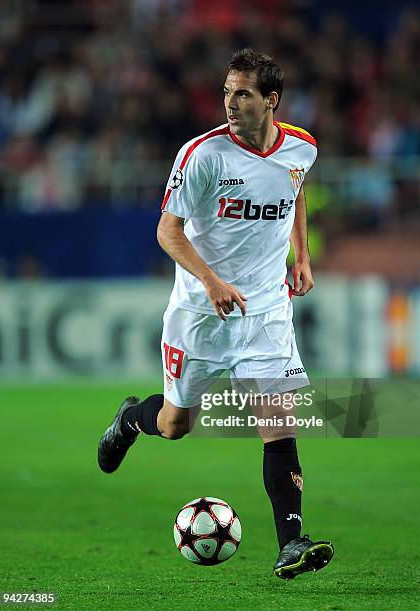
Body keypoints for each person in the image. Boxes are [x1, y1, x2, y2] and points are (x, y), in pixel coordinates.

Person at [98, 48, 334, 579]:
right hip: (200, 311)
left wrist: (302, 254)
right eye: (227, 91)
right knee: (176, 424)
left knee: (277, 424)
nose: (230, 102)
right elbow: (167, 232)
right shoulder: (202, 155)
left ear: (270, 100)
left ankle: (291, 544)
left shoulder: (302, 148)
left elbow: (295, 190)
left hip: (266, 308)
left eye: (243, 93)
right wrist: (210, 281)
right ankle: (131, 419)